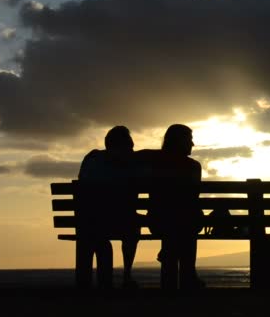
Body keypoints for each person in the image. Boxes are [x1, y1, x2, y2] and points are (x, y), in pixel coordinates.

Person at [138, 124, 204, 290]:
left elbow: (131, 156)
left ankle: (169, 258)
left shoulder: (153, 162)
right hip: (187, 223)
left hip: (159, 222)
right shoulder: (193, 167)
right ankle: (189, 276)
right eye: (189, 140)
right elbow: (192, 199)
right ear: (179, 142)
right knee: (186, 221)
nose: (193, 144)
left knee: (177, 226)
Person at [78, 126, 141, 289]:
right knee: (133, 225)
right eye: (130, 147)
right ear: (122, 147)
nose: (132, 151)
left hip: (87, 222)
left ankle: (86, 284)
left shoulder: (91, 159)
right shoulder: (128, 168)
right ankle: (127, 274)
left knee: (100, 237)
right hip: (116, 223)